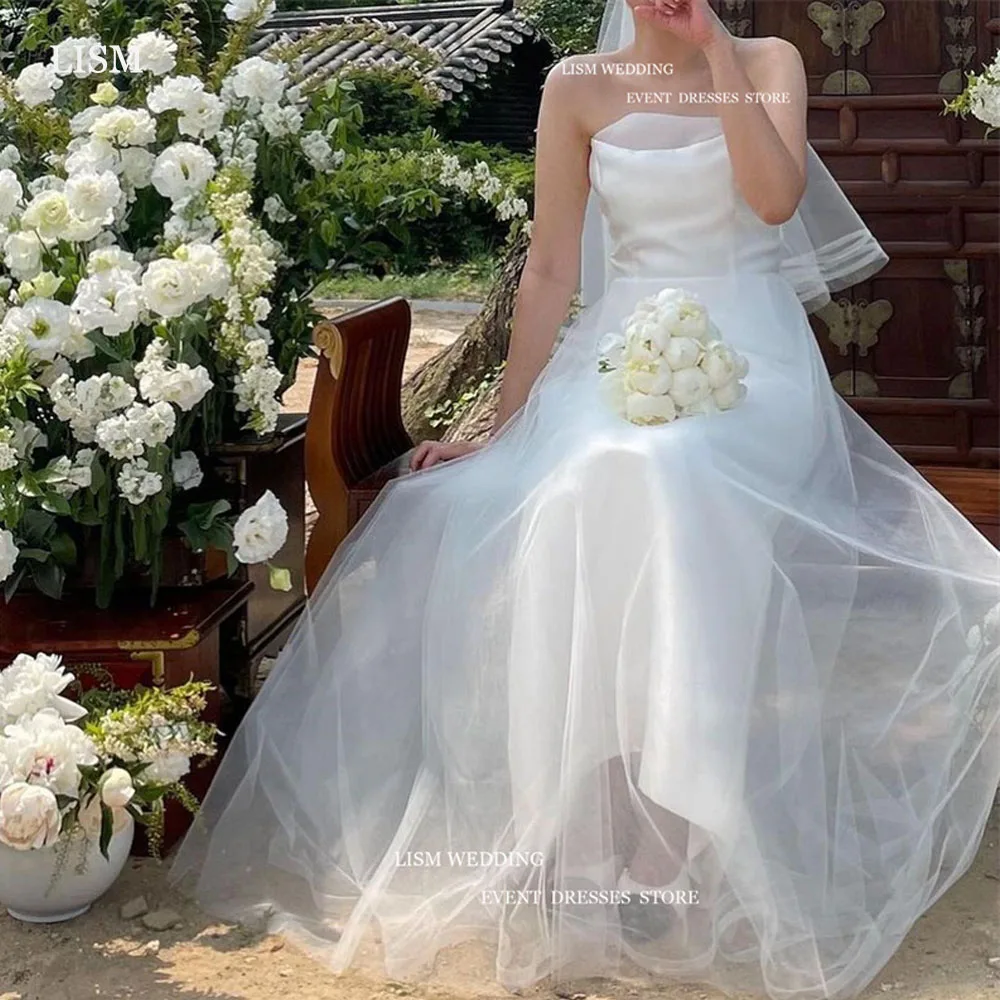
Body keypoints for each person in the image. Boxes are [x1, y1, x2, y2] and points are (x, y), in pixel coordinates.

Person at [170, 1, 1000, 997]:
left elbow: (775, 200)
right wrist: (504, 428)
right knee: (583, 479)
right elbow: (553, 268)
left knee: (670, 474)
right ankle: (593, 802)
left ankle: (678, 818)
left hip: (751, 355)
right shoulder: (576, 87)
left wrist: (714, 53)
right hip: (618, 353)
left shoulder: (767, 60)